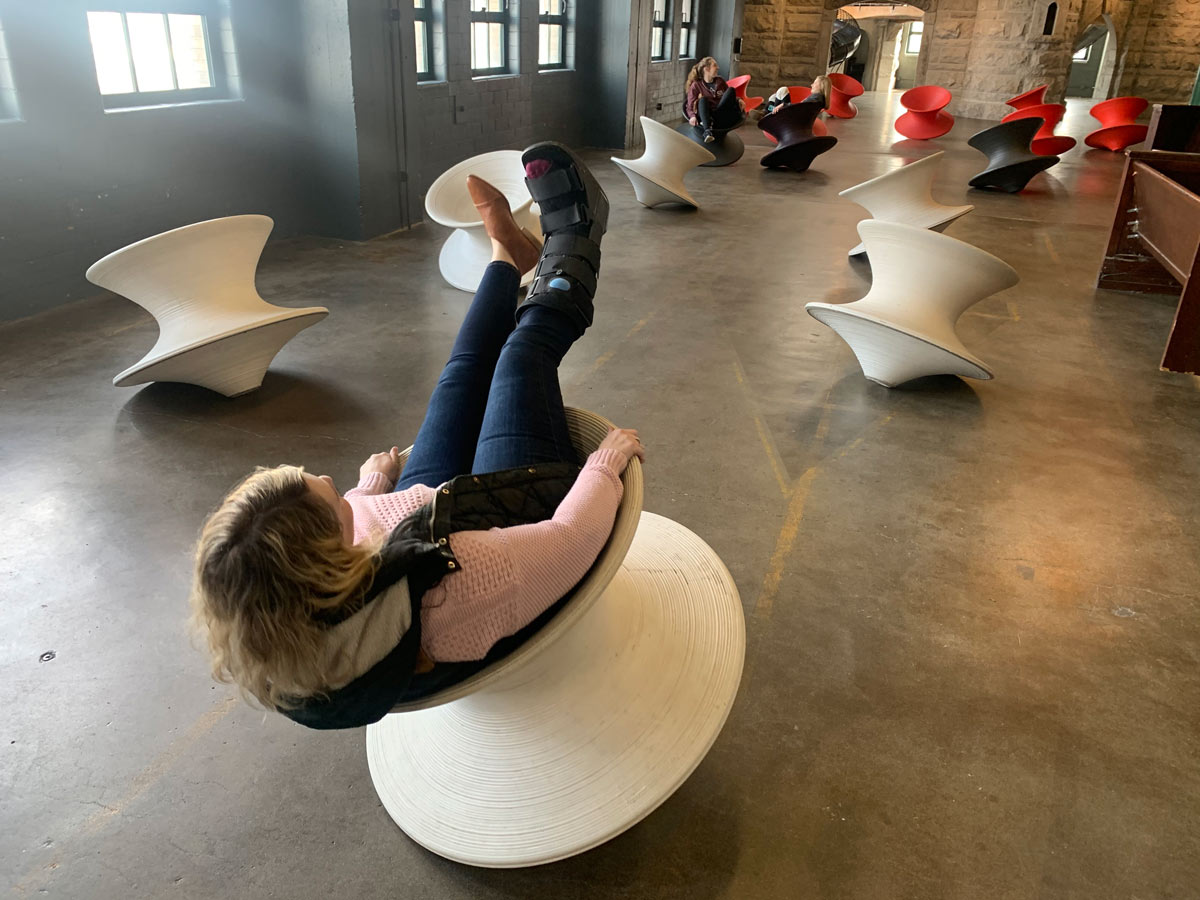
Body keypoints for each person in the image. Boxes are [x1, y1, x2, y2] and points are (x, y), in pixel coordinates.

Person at [189, 143, 645, 730]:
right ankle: (578, 243)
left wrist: (368, 486)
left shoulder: (292, 609)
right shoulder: (458, 587)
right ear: (336, 561)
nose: (330, 480)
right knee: (520, 358)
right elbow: (570, 539)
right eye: (322, 495)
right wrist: (604, 467)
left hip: (419, 523)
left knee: (460, 375)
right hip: (502, 522)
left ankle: (508, 253)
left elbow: (352, 521)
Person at [685, 56, 745, 143]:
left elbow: (727, 98)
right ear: (706, 69)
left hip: (721, 114)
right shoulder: (696, 85)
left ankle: (712, 122)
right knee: (703, 100)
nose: (718, 67)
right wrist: (692, 117)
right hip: (706, 115)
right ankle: (707, 131)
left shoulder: (720, 81)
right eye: (715, 65)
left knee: (731, 90)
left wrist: (738, 100)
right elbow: (689, 105)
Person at [763, 74, 833, 116]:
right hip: (794, 114)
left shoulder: (815, 99)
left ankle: (766, 111)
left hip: (788, 116)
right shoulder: (819, 99)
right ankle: (766, 111)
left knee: (771, 102)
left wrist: (784, 105)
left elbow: (799, 107)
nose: (811, 85)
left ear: (821, 86)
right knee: (775, 96)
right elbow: (801, 107)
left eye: (814, 83)